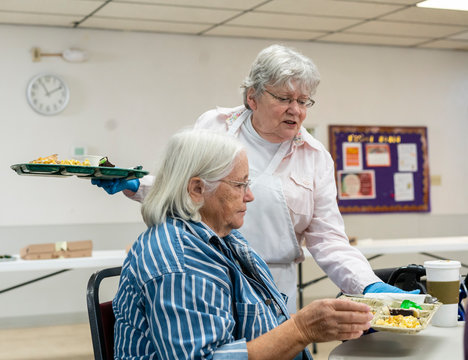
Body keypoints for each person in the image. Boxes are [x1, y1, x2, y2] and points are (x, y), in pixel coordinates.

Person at [94, 44, 417, 313]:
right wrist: (138, 185)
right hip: (208, 274)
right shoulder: (216, 126)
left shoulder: (314, 156)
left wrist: (368, 284)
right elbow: (184, 185)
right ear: (253, 97)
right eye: (284, 99)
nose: (296, 110)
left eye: (303, 101)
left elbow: (328, 239)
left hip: (275, 285)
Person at [113, 129, 373, 360]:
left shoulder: (224, 238)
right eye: (239, 184)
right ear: (197, 189)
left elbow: (258, 324)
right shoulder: (180, 262)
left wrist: (326, 322)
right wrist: (301, 329)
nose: (249, 196)